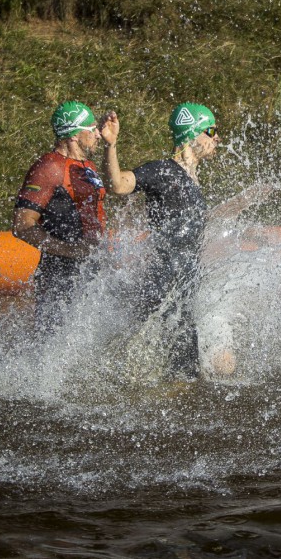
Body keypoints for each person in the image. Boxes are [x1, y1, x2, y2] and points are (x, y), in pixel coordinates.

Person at [103, 102, 218, 377]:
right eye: (211, 130)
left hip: (182, 283)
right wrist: (111, 145)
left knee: (178, 369)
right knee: (182, 372)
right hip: (166, 282)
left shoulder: (191, 178)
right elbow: (117, 185)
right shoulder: (163, 171)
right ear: (192, 134)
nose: (217, 138)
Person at [12, 100, 119, 332]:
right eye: (92, 129)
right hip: (60, 272)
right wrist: (69, 251)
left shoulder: (86, 165)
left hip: (92, 266)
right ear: (73, 135)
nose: (97, 135)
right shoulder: (49, 167)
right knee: (53, 340)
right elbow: (22, 225)